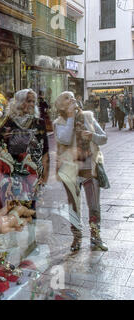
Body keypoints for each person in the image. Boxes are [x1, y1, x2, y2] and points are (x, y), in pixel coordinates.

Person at [53, 91, 109, 253]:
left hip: (90, 171)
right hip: (71, 172)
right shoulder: (59, 122)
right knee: (74, 207)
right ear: (60, 105)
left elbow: (104, 138)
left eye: (72, 96)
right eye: (66, 97)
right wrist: (71, 116)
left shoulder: (88, 117)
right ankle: (77, 238)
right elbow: (64, 139)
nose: (71, 98)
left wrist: (92, 136)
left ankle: (96, 238)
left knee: (94, 206)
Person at [0, 89, 50, 211]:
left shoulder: (38, 123)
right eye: (28, 101)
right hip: (10, 175)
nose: (32, 104)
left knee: (30, 212)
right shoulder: (6, 122)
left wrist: (44, 177)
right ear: (19, 102)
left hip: (32, 174)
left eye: (33, 101)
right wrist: (3, 138)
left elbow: (45, 151)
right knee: (9, 212)